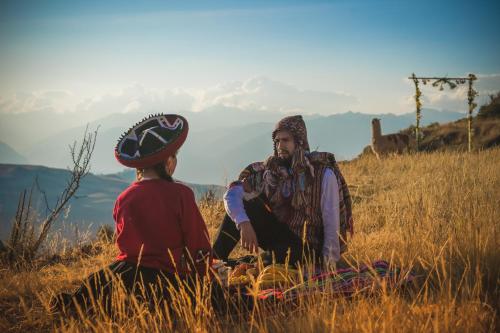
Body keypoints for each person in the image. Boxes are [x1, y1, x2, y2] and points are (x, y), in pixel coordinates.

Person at [51, 114, 212, 314]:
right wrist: (205, 276)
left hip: (125, 275)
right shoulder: (181, 194)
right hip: (167, 278)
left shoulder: (124, 198)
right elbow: (198, 243)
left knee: (89, 296)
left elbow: (124, 243)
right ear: (168, 162)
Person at [212, 115, 353, 267]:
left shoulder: (322, 174)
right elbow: (232, 194)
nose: (280, 146)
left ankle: (241, 265)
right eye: (277, 141)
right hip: (280, 237)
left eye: (285, 140)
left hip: (305, 250)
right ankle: (209, 265)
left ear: (299, 142)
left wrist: (328, 266)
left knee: (264, 264)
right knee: (245, 205)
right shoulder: (271, 172)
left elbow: (331, 224)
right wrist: (243, 223)